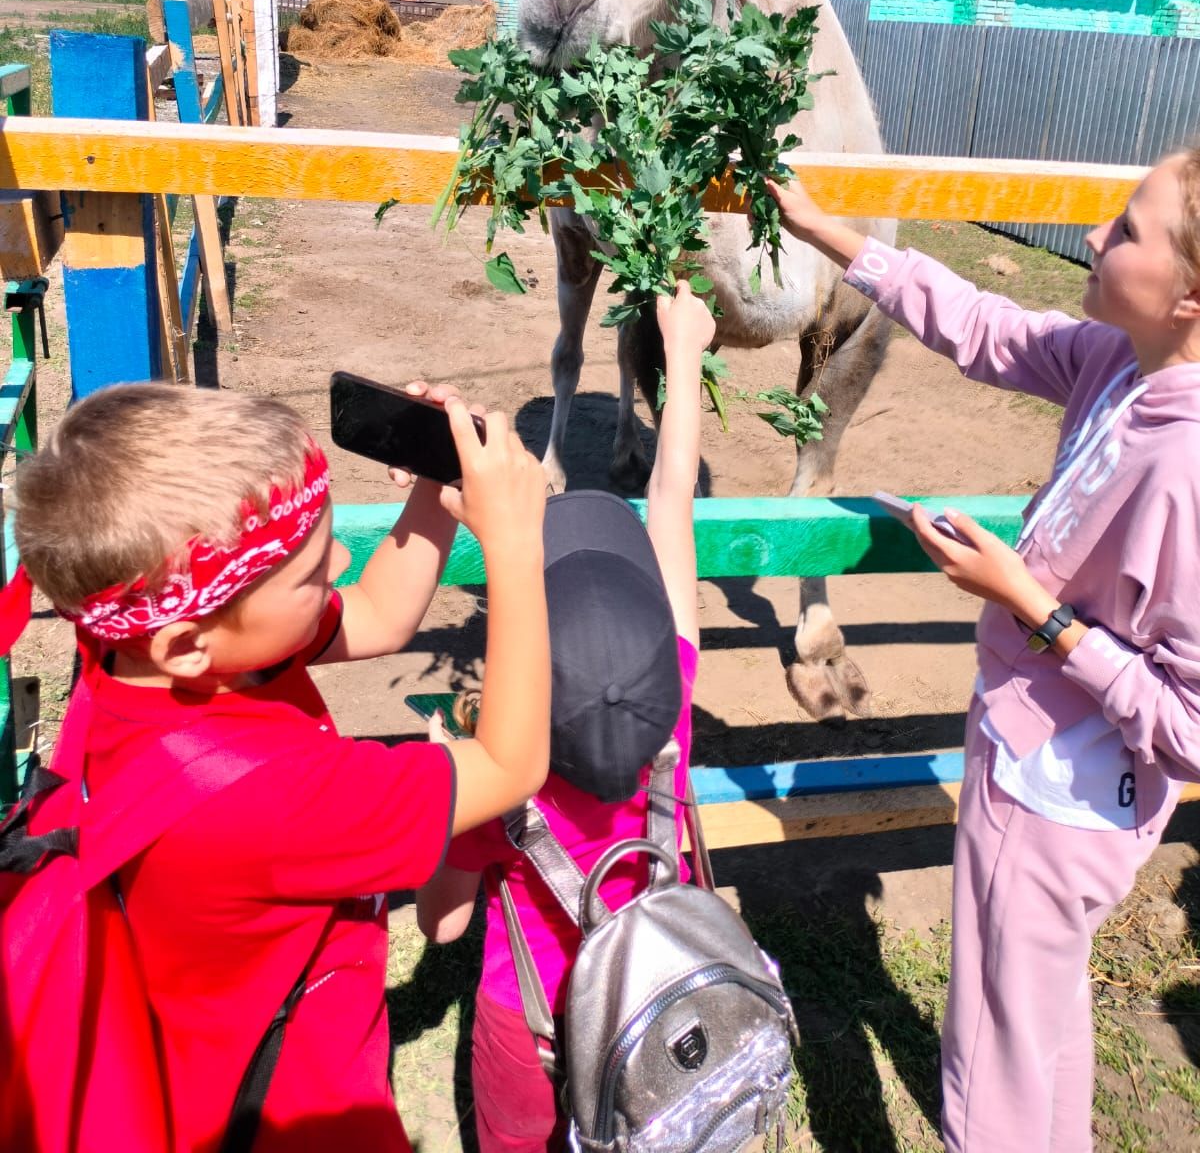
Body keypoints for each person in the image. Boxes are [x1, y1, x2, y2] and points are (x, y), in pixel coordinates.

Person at [767, 152, 1200, 1153]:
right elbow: (984, 324)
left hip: (1058, 793)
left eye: (1128, 230)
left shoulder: (1184, 465)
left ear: (1190, 293)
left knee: (991, 1060)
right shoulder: (1118, 361)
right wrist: (825, 228)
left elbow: (1187, 725)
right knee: (1039, 1019)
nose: (1094, 237)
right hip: (1051, 766)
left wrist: (1026, 600)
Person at [2, 379, 550, 1153]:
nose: (344, 558)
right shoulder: (272, 800)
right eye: (314, 575)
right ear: (189, 643)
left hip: (205, 1066)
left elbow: (381, 615)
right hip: (293, 1115)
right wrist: (516, 550)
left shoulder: (137, 647)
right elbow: (508, 764)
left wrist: (437, 482)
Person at [416, 279, 716, 1153]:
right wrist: (686, 357)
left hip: (534, 1034)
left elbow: (442, 925)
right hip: (660, 1009)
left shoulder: (497, 771)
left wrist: (448, 784)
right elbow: (671, 506)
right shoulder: (673, 712)